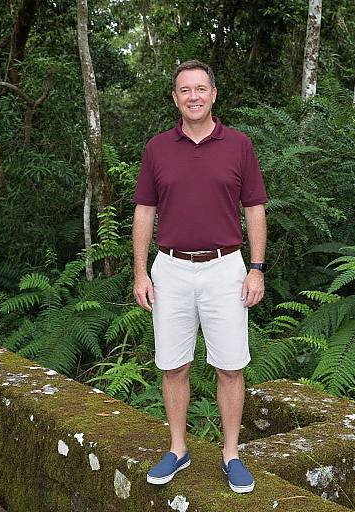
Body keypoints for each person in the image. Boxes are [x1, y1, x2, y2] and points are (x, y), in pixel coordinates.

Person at [132, 60, 267, 494]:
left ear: (213, 94)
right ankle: (178, 448)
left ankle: (231, 454)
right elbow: (144, 211)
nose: (193, 96)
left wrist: (256, 268)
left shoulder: (239, 145)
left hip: (225, 268)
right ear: (175, 98)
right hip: (169, 269)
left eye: (201, 88)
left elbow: (255, 209)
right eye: (185, 90)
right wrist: (140, 271)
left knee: (230, 366)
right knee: (174, 365)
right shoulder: (156, 148)